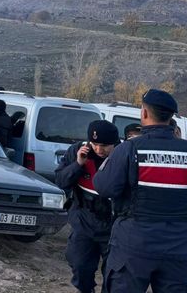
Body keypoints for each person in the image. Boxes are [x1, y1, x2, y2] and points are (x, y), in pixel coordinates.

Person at [93, 89, 187, 291]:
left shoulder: (129, 149)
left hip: (134, 246)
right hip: (178, 248)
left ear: (144, 114)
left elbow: (104, 186)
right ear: (170, 117)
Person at [55, 120, 119, 293]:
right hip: (84, 218)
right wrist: (78, 165)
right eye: (95, 144)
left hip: (114, 224)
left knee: (116, 274)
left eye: (105, 145)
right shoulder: (77, 151)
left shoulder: (123, 155)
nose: (99, 150)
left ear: (115, 143)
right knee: (79, 264)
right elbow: (61, 181)